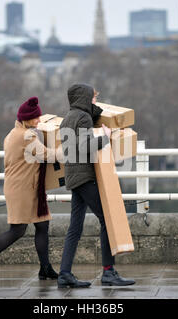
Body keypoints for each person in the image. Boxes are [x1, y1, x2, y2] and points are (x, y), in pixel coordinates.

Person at [0, 96, 62, 283]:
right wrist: (68, 151)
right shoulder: (27, 135)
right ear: (27, 119)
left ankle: (45, 268)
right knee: (18, 230)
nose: (39, 120)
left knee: (42, 225)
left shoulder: (13, 133)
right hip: (22, 189)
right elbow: (47, 155)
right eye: (36, 118)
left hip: (28, 187)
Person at [57, 83, 136, 288]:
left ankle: (64, 273)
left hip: (73, 178)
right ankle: (108, 272)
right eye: (93, 98)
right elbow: (84, 147)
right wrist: (106, 138)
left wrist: (95, 115)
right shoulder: (82, 118)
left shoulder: (68, 118)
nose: (95, 101)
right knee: (107, 220)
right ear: (84, 98)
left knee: (75, 227)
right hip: (84, 177)